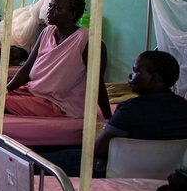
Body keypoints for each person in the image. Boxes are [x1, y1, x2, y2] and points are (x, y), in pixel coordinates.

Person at [0, 0, 111, 119]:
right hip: (34, 92)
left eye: (57, 8)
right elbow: (27, 68)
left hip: (59, 104)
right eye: (51, 6)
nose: (49, 11)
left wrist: (108, 117)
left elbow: (97, 85)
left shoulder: (88, 42)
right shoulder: (47, 32)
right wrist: (5, 90)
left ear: (73, 14)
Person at [44, 50, 187, 176]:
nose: (130, 76)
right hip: (164, 172)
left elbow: (99, 149)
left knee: (39, 161)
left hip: (116, 169)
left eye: (136, 71)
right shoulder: (183, 107)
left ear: (156, 78)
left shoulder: (131, 109)